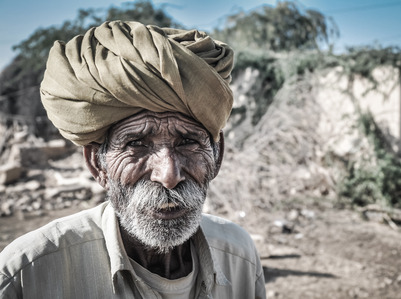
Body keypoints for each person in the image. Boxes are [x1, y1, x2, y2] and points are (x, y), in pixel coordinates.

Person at [0, 21, 266, 298]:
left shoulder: (239, 256)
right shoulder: (27, 273)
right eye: (136, 144)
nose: (168, 174)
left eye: (188, 142)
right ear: (97, 164)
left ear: (217, 155)